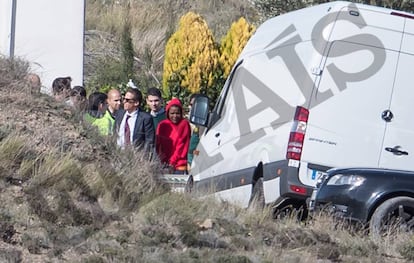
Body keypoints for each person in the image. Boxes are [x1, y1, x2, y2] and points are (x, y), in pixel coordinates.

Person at [156, 98, 191, 174]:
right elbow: (158, 145)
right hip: (163, 164)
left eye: (177, 113)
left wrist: (172, 162)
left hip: (179, 164)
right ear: (168, 113)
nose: (175, 116)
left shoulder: (184, 124)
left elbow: (181, 145)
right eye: (172, 113)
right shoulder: (162, 125)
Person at [187, 94, 201, 168]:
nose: (193, 107)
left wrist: (194, 154)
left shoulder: (204, 124)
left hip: (198, 161)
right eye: (192, 105)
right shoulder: (185, 123)